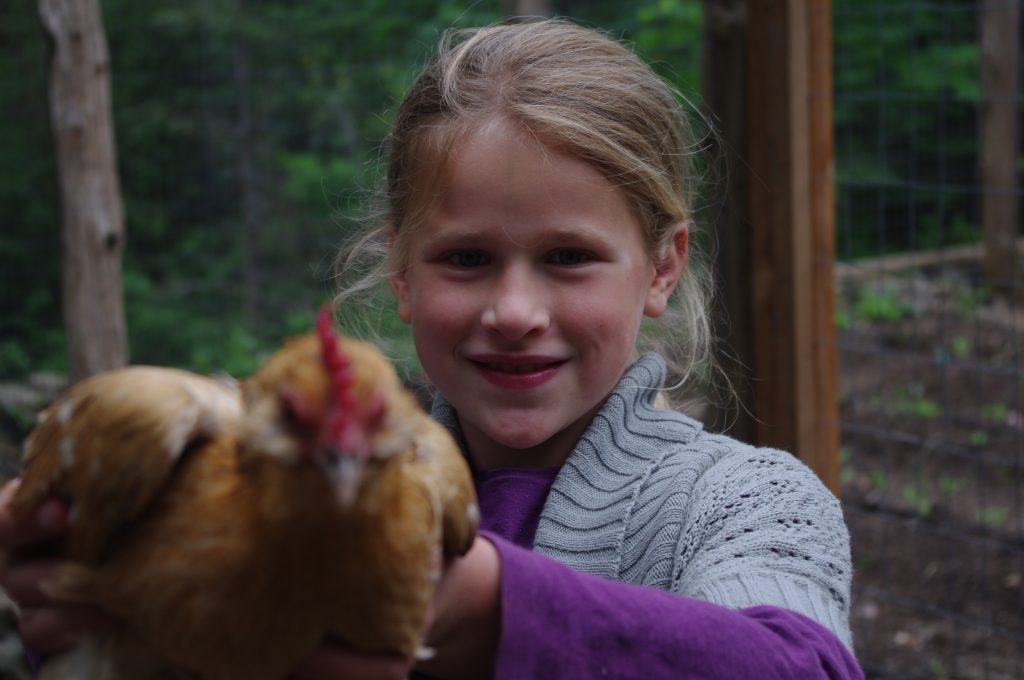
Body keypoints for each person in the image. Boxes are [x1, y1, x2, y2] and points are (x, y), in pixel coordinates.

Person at [0, 19, 863, 679]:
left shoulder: (743, 499)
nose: (515, 310)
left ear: (662, 267)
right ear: (402, 273)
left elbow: (802, 665)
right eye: (466, 259)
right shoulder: (268, 470)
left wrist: (488, 610)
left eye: (568, 258)